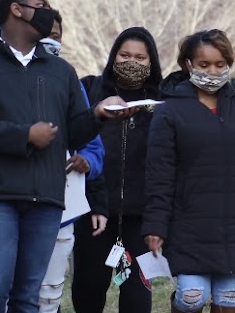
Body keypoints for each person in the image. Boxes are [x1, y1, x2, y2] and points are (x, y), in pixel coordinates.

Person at [0, 0, 130, 313]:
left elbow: (73, 134)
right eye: (41, 4)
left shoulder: (62, 71)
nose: (48, 11)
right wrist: (25, 136)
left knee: (27, 294)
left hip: (45, 197)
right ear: (16, 10)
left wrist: (98, 114)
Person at [143, 29, 235, 313]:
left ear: (229, 64)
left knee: (228, 300)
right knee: (192, 296)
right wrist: (155, 226)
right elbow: (159, 175)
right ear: (188, 65)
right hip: (188, 224)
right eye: (204, 64)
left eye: (220, 64)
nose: (212, 71)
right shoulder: (169, 112)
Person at [72, 27, 164, 313]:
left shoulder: (163, 103)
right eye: (124, 55)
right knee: (89, 291)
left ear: (152, 62)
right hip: (94, 213)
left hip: (142, 219)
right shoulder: (89, 89)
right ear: (113, 56)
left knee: (137, 296)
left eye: (140, 57)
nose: (131, 62)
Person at [38, 13, 105, 313]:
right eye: (44, 32)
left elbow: (92, 143)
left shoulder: (69, 79)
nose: (51, 39)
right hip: (11, 201)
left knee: (51, 288)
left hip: (62, 202)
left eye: (56, 34)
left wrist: (87, 161)